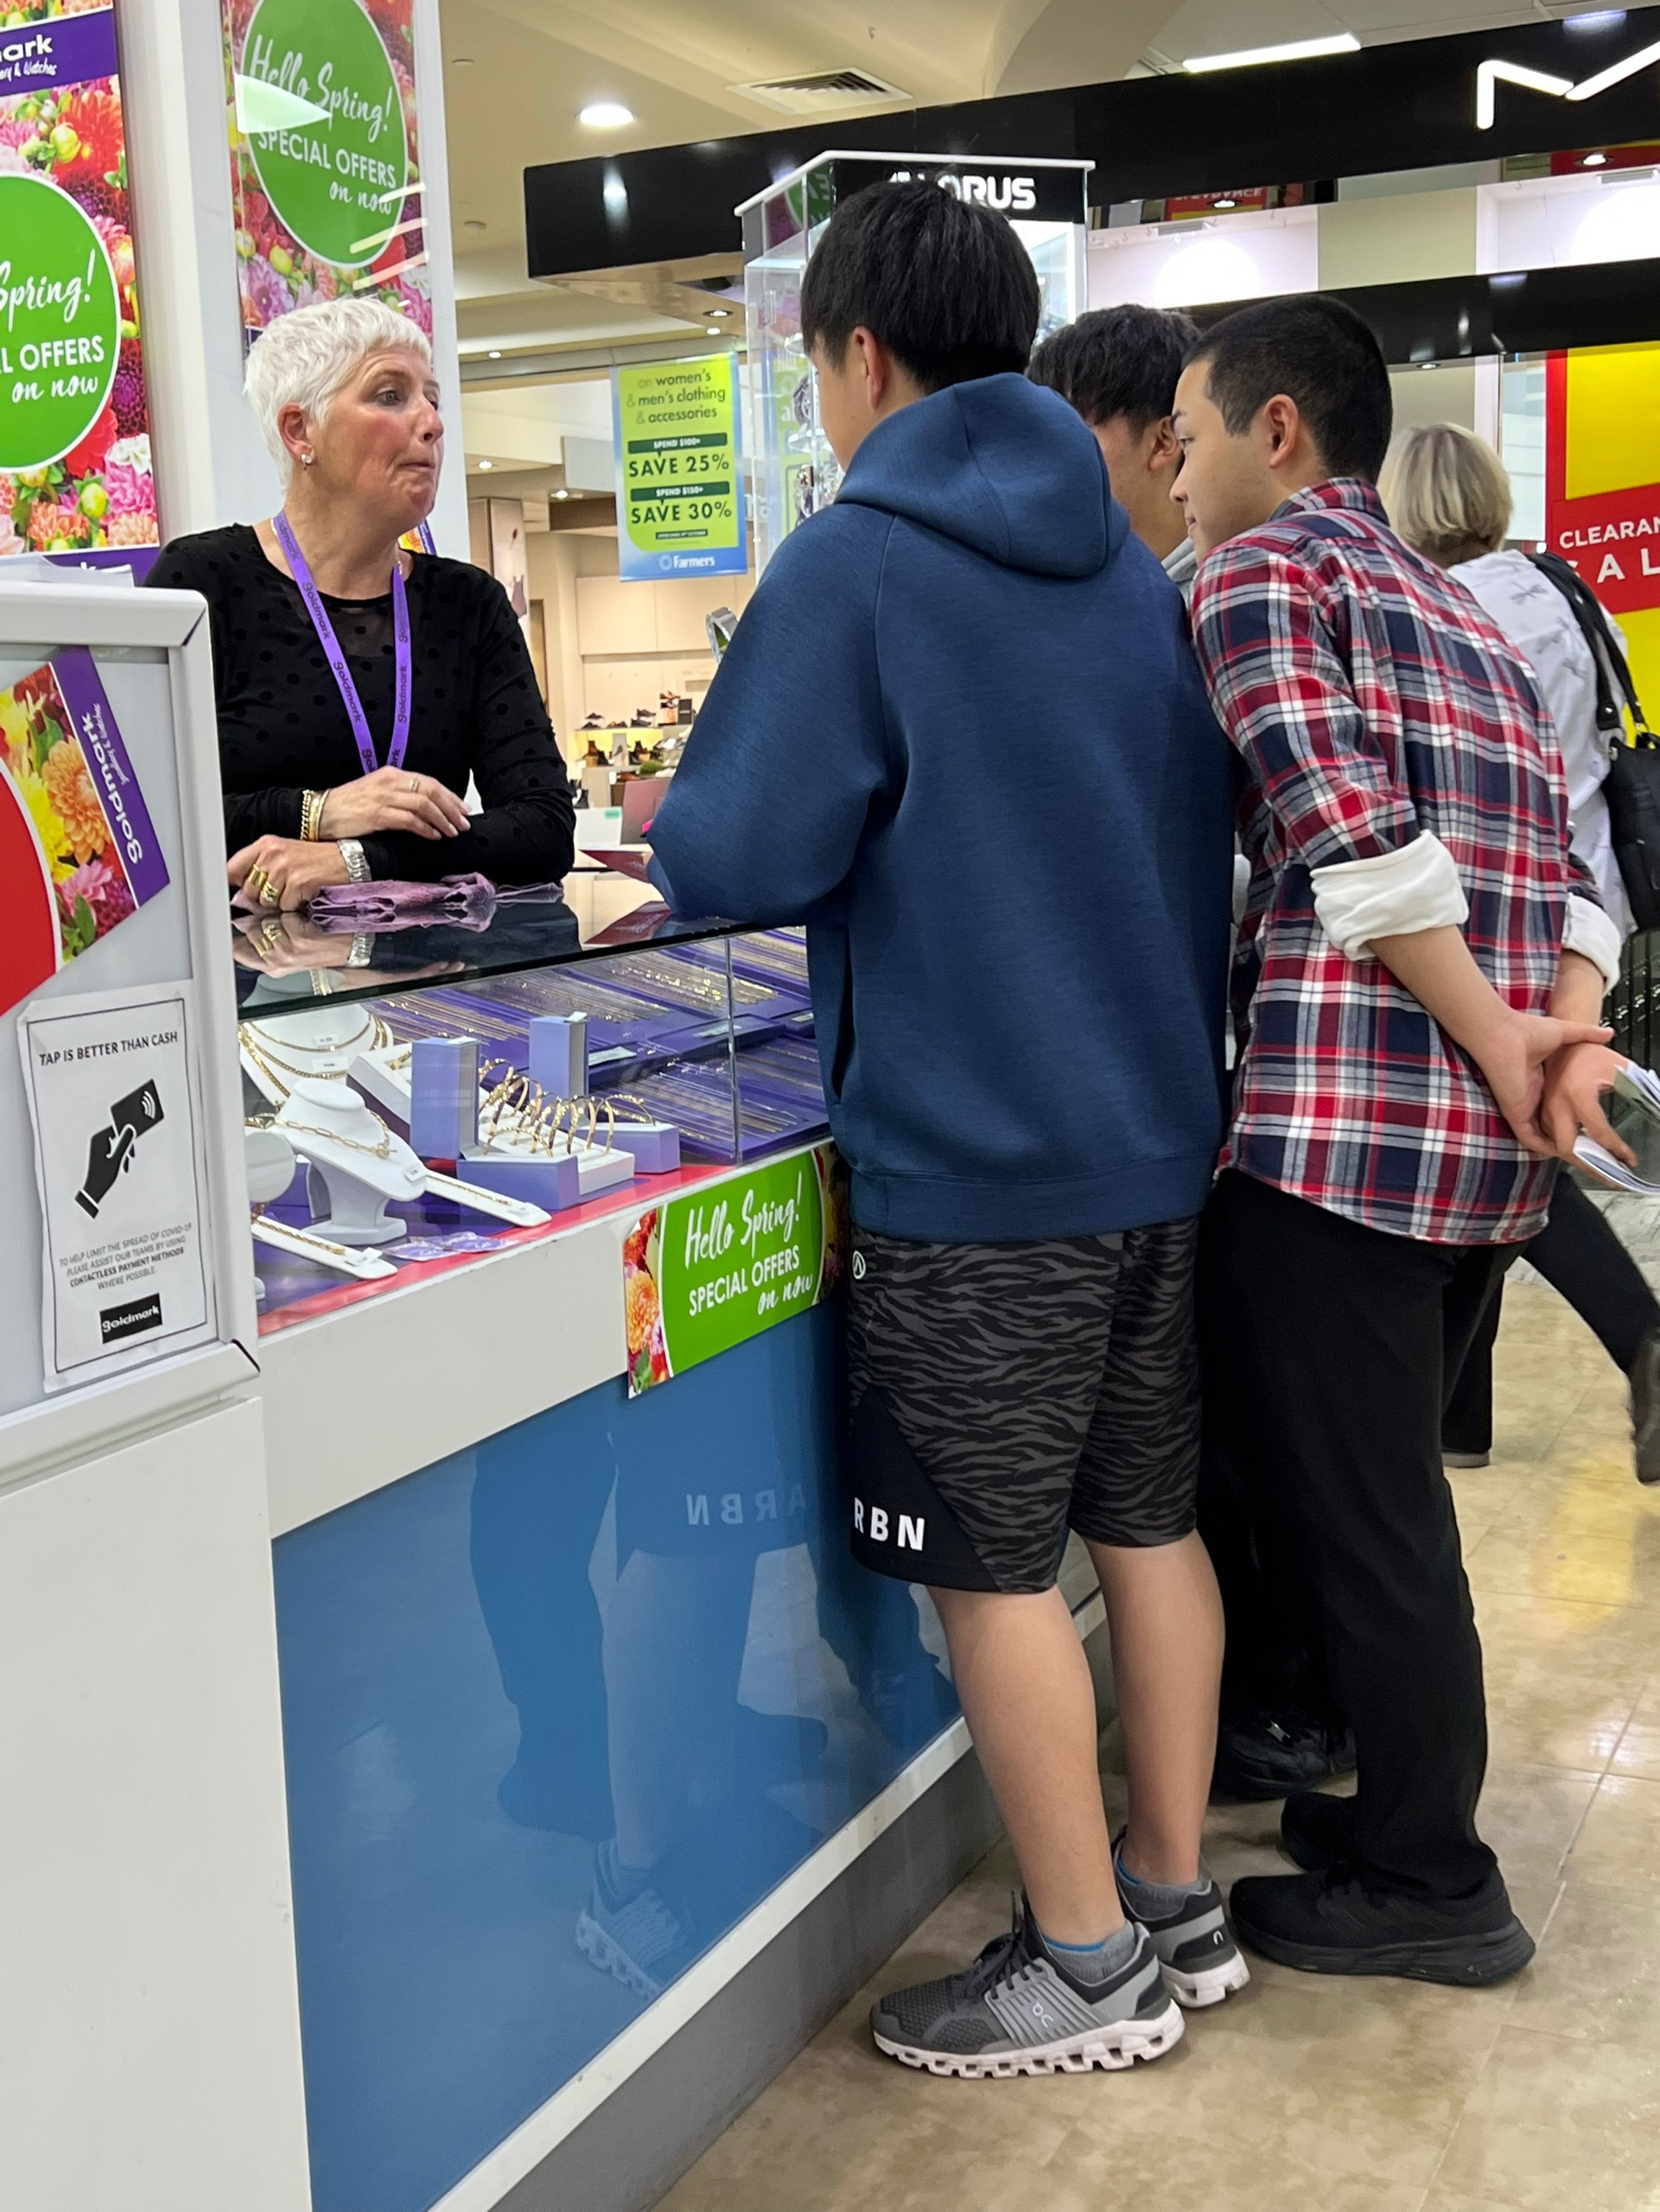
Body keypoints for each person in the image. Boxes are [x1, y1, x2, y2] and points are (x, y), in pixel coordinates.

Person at [648, 180, 1240, 2077]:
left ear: (859, 352)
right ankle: (1171, 1894)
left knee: (989, 1567)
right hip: (1153, 1138)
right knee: (1148, 1524)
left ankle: (1081, 1967)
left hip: (977, 1164)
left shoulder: (858, 562)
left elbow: (731, 852)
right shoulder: (1132, 568)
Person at [1171, 294, 1626, 1984]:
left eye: (1192, 437)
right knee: (1388, 1512)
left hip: (1342, 1142)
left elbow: (1348, 838)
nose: (1180, 472)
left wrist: (1503, 1032)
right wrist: (1549, 1028)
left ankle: (1435, 1874)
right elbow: (1571, 874)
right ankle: (1390, 1822)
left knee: (1368, 1530)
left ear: (1276, 430)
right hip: (1474, 1159)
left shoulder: (1260, 575)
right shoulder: (1463, 610)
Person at [1380, 422, 1660, 1479]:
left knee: (1512, 1141)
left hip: (1502, 914)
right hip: (1589, 918)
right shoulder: (1568, 591)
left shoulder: (1451, 611)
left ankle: (1642, 1332)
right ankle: (1460, 1415)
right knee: (1512, 1140)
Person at [146, 297, 572, 909]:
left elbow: (543, 830)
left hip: (423, 961)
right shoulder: (203, 582)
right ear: (300, 431)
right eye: (391, 396)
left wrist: (358, 860)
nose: (431, 422)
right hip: (242, 960)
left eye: (432, 399)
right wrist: (317, 813)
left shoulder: (468, 604)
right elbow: (143, 822)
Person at [1028, 303, 1199, 596]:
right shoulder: (1057, 583)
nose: (1047, 458)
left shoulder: (1227, 599)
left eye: (1073, 429)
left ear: (1163, 441)